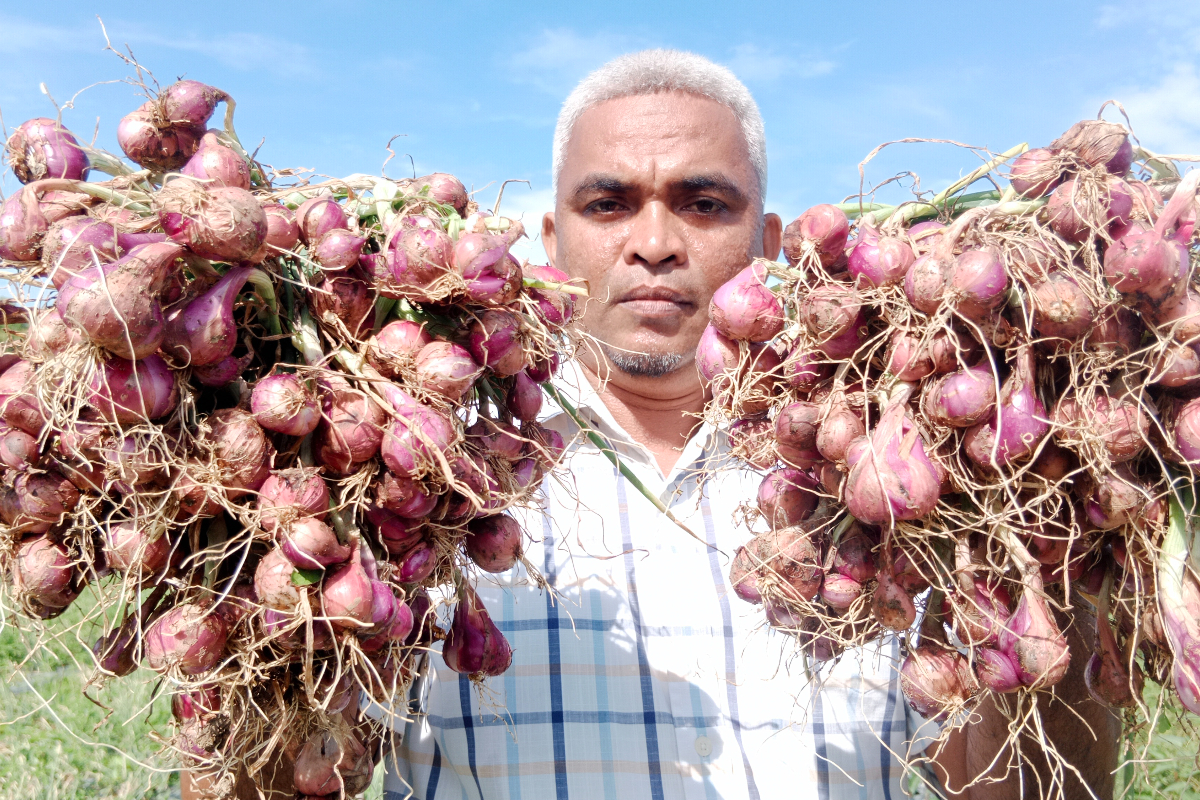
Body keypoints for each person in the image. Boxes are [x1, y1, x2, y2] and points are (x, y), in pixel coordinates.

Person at [185, 49, 1121, 800]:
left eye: (704, 203)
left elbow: (1023, 784)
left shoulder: (890, 487)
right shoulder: (435, 479)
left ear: (772, 246)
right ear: (548, 247)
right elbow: (300, 770)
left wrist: (1059, 551)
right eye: (608, 203)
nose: (655, 241)